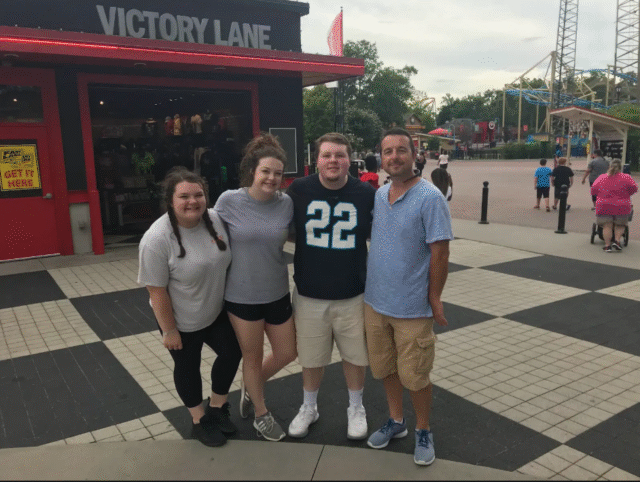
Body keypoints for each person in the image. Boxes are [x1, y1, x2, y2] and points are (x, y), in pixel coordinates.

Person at [364, 128, 453, 466]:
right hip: (375, 302)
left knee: (415, 375)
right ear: (382, 158)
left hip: (411, 307)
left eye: (401, 150)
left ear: (415, 154)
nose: (394, 157)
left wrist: (434, 296)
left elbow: (440, 253)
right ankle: (396, 420)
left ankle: (423, 429)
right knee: (385, 368)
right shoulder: (380, 193)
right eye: (388, 151)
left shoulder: (430, 197)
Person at [138, 167, 242, 447]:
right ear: (170, 201)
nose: (192, 201)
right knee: (188, 367)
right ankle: (199, 420)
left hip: (215, 310)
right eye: (184, 196)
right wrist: (169, 331)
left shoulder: (215, 220)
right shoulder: (157, 239)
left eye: (198, 195)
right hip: (179, 319)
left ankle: (217, 408)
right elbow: (156, 291)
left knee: (232, 352)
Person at [286, 132, 376, 441]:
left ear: (350, 158)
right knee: (311, 357)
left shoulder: (366, 192)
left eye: (339, 154)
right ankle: (309, 407)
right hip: (309, 292)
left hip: (353, 291)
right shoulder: (299, 189)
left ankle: (356, 407)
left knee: (355, 356)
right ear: (316, 160)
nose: (333, 160)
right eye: (327, 155)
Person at [214, 133, 297, 442]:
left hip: (277, 291)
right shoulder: (229, 201)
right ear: (252, 171)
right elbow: (210, 238)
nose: (272, 178)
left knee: (288, 352)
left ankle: (252, 387)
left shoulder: (285, 203)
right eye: (266, 171)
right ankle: (261, 414)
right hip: (241, 296)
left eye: (277, 173)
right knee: (251, 357)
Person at [591, 158, 638, 252]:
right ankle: (617, 241)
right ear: (621, 168)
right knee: (620, 225)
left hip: (604, 205)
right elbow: (634, 189)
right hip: (622, 205)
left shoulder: (602, 177)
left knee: (606, 225)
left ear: (609, 167)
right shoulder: (627, 177)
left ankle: (607, 245)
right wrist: (626, 194)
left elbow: (593, 190)